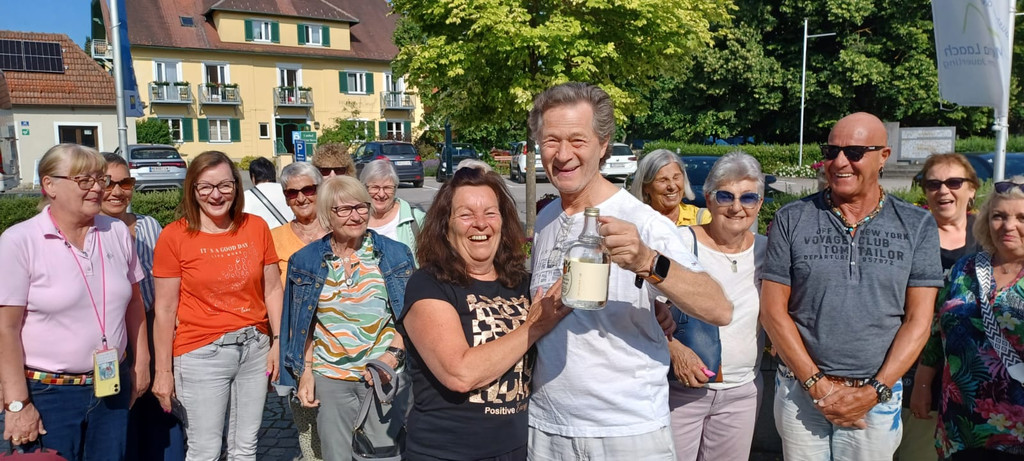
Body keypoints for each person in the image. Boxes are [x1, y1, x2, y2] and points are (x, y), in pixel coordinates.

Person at [526, 82, 731, 459]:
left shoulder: (645, 223)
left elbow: (719, 308)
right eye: (551, 140)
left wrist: (647, 261)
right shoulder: (546, 219)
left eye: (577, 140)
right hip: (547, 428)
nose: (563, 154)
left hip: (627, 431)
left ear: (603, 144)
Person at [761, 112, 943, 460]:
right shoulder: (792, 218)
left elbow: (918, 321)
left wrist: (872, 392)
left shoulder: (917, 224)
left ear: (883, 156)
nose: (840, 162)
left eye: (855, 152)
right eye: (831, 151)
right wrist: (818, 386)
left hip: (876, 398)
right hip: (801, 391)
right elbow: (772, 312)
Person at [398, 166, 568, 460]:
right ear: (445, 226)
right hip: (447, 452)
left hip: (517, 449)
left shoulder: (523, 283)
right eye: (466, 215)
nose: (480, 224)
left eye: (490, 213)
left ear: (503, 222)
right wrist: (534, 326)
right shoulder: (427, 284)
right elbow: (459, 373)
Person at [0, 144, 150, 459]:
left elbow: (134, 303)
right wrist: (18, 404)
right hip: (47, 394)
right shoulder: (19, 241)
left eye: (99, 179)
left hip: (111, 386)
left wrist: (141, 363)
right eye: (84, 180)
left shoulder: (116, 231)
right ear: (49, 185)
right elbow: (6, 329)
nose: (97, 188)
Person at [150, 150, 283, 460]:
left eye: (224, 185)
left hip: (254, 348)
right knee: (205, 451)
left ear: (236, 186)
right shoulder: (174, 236)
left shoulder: (256, 227)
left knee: (245, 448)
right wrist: (163, 371)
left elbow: (273, 289)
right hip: (201, 354)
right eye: (206, 187)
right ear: (192, 189)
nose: (216, 195)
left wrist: (277, 341)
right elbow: (165, 310)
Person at [278, 175, 413, 461]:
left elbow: (411, 317)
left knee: (385, 456)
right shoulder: (305, 261)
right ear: (327, 215)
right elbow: (303, 325)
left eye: (361, 207)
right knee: (335, 455)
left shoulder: (395, 255)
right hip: (330, 379)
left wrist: (392, 357)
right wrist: (305, 374)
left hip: (381, 376)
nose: (356, 215)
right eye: (344, 209)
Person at [661, 152, 767, 461]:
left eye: (748, 198)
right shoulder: (679, 243)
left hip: (742, 392)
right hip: (680, 390)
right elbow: (640, 308)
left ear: (759, 204)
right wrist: (674, 349)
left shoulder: (767, 250)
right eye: (725, 196)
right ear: (708, 199)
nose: (736, 207)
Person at [931, 178, 1024, 460]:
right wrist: (923, 385)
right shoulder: (965, 268)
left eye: (1021, 218)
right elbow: (937, 328)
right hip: (961, 425)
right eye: (999, 216)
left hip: (1017, 430)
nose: (1008, 226)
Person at [100, 153, 184, 461]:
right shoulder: (91, 232)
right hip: (113, 334)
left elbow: (168, 279)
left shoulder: (149, 226)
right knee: (122, 415)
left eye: (125, 183)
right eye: (108, 183)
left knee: (162, 410)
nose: (117, 191)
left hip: (153, 325)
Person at [904, 153, 980, 460]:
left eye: (954, 182)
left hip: (973, 377)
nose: (943, 190)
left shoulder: (991, 235)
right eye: (933, 184)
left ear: (972, 189)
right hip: (914, 368)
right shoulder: (911, 236)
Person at [270, 161, 326, 461]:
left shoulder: (340, 230)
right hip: (297, 347)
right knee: (308, 428)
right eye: (292, 193)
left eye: (308, 189)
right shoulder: (274, 238)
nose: (301, 198)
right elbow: (269, 293)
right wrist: (276, 341)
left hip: (340, 345)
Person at [359, 158, 425, 257]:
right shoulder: (354, 219)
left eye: (387, 188)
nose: (381, 194)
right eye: (375, 187)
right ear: (364, 187)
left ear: (395, 188)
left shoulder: (416, 220)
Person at [631, 149, 712, 226]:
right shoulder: (634, 223)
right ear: (646, 186)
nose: (672, 186)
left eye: (676, 178)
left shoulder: (703, 219)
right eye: (663, 180)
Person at [243, 157, 294, 229]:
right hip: (288, 234)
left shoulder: (246, 196)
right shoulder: (288, 190)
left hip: (262, 235)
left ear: (253, 177)